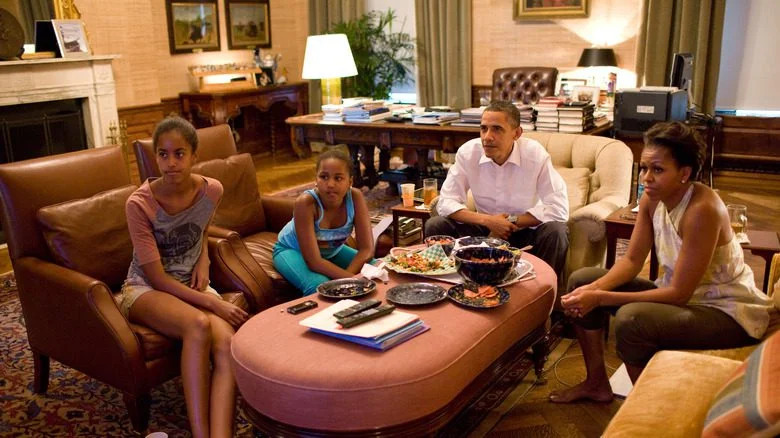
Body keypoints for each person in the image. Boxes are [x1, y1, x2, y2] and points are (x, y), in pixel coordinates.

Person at [550, 121, 774, 403]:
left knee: (631, 320)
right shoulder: (650, 200)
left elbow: (679, 294)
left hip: (724, 310)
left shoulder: (702, 209)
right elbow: (631, 261)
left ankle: (649, 407)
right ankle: (596, 383)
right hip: (685, 300)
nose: (646, 177)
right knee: (581, 279)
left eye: (657, 170)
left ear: (685, 173)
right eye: (643, 168)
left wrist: (599, 297)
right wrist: (591, 290)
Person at [119, 116, 248, 438]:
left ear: (194, 156)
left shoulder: (211, 190)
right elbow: (159, 279)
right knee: (199, 324)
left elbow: (201, 228)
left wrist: (203, 258)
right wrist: (212, 304)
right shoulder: (139, 204)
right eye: (163, 154)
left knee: (227, 343)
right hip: (146, 289)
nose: (171, 162)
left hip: (192, 285)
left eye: (179, 153)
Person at [425, 100, 570, 275]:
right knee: (436, 225)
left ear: (516, 133)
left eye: (497, 129)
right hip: (483, 227)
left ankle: (544, 290)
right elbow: (446, 203)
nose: (487, 137)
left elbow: (559, 209)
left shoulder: (535, 155)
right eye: (483, 128)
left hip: (523, 230)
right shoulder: (468, 153)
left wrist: (511, 222)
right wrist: (488, 221)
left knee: (557, 231)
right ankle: (442, 281)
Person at [273, 148, 374, 296]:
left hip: (331, 253)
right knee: (318, 286)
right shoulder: (306, 203)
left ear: (350, 182)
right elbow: (314, 261)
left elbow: (366, 249)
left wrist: (349, 278)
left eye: (338, 178)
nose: (330, 184)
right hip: (292, 251)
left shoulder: (355, 198)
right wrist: (351, 279)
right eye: (324, 177)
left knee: (375, 268)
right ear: (316, 179)